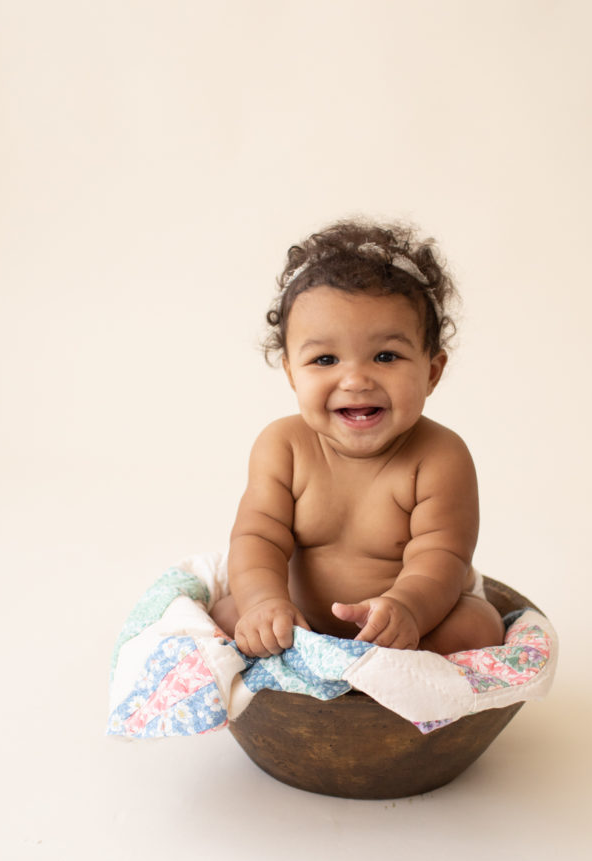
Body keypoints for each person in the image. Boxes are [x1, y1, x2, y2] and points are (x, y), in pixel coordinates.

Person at [211, 220, 505, 659]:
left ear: (431, 372)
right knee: (223, 613)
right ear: (292, 373)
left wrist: (406, 608)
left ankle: (378, 678)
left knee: (480, 625)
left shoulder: (439, 457)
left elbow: (442, 555)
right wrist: (263, 603)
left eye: (386, 356)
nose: (355, 379)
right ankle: (316, 667)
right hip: (297, 626)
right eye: (325, 359)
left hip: (405, 629)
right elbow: (258, 538)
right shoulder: (283, 446)